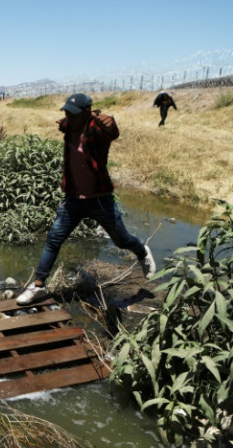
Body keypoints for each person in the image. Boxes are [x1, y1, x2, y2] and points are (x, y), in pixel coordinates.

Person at [16, 93, 156, 306]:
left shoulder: (98, 131)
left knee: (121, 240)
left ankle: (142, 251)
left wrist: (110, 123)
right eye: (66, 113)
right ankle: (38, 285)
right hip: (73, 199)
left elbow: (112, 130)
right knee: (53, 239)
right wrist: (64, 121)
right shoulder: (70, 125)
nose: (68, 117)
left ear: (87, 113)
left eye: (72, 114)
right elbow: (65, 124)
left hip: (99, 200)